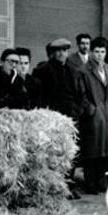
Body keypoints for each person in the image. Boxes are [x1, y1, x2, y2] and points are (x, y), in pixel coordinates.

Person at [29, 38, 87, 195]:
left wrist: (78, 112)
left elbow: (81, 94)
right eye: (58, 51)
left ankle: (68, 185)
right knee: (54, 154)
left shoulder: (74, 70)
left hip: (72, 118)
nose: (61, 54)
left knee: (70, 153)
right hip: (53, 119)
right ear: (52, 53)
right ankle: (54, 187)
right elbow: (38, 97)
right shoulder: (43, 71)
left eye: (64, 50)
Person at [79, 37, 108, 194]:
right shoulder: (84, 70)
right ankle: (91, 184)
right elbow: (81, 94)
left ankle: (104, 182)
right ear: (91, 52)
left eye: (102, 52)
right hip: (94, 116)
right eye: (96, 51)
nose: (99, 55)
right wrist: (91, 110)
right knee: (93, 151)